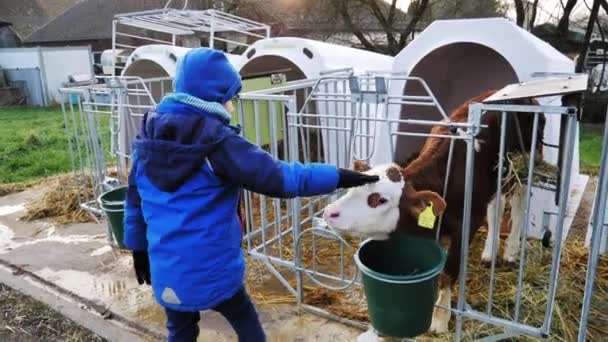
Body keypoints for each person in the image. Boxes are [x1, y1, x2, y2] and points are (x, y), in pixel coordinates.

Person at [122, 47, 379, 342]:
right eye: (231, 97)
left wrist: (137, 248)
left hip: (167, 269)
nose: (232, 105)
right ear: (215, 98)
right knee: (244, 316)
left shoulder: (146, 141)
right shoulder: (218, 143)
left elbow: (134, 201)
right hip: (213, 269)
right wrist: (339, 176)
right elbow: (282, 177)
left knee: (179, 329)